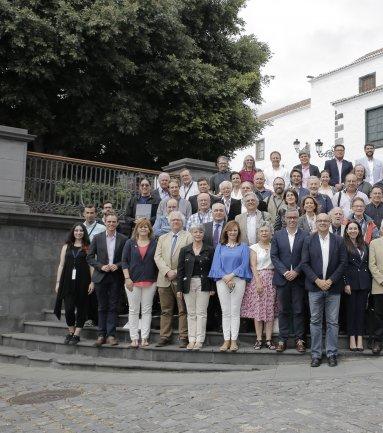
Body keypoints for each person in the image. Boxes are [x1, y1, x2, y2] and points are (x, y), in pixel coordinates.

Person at [301, 213, 347, 367]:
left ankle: (332, 353)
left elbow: (343, 263)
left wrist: (330, 280)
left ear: (330, 222)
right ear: (316, 223)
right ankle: (316, 354)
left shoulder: (339, 240)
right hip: (315, 287)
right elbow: (305, 264)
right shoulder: (308, 240)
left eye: (325, 220)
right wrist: (318, 281)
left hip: (333, 288)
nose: (322, 223)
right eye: (319, 220)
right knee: (315, 321)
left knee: (333, 322)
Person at [209, 221, 252, 352]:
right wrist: (226, 278)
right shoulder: (220, 247)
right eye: (230, 230)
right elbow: (216, 266)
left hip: (238, 280)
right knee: (225, 312)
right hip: (222, 281)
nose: (232, 232)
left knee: (235, 311)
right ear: (226, 232)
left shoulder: (243, 247)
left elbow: (244, 265)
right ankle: (226, 340)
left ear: (238, 232)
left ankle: (234, 341)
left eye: (235, 230)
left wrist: (231, 275)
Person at [87, 212, 127, 346]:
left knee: (113, 306)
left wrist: (118, 265)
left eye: (114, 222)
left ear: (117, 223)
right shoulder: (97, 238)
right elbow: (90, 257)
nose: (111, 224)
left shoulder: (123, 239)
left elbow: (126, 259)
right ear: (105, 222)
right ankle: (101, 335)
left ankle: (111, 335)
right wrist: (100, 266)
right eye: (109, 221)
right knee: (102, 306)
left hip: (116, 277)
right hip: (101, 276)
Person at [271, 209, 308, 353]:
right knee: (283, 310)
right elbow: (274, 256)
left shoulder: (305, 235)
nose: (292, 220)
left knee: (299, 310)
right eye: (289, 218)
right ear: (284, 219)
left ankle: (300, 340)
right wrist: (285, 272)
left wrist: (297, 271)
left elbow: (306, 257)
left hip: (299, 279)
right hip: (282, 279)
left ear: (298, 219)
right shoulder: (278, 235)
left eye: (294, 217)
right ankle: (282, 339)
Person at [154, 211, 193, 347]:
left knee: (183, 309)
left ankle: (183, 337)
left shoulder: (189, 237)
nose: (175, 222)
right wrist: (167, 271)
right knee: (165, 309)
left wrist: (176, 272)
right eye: (173, 220)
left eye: (178, 220)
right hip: (164, 279)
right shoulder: (162, 238)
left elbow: (189, 258)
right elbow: (157, 257)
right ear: (169, 222)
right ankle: (165, 336)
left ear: (182, 222)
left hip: (180, 278)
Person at [177, 224, 215, 350]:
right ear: (191, 234)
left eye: (200, 232)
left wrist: (212, 287)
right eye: (195, 232)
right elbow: (180, 270)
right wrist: (179, 289)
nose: (198, 234)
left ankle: (199, 340)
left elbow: (212, 270)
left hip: (203, 284)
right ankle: (191, 340)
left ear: (203, 234)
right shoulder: (185, 250)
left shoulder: (209, 249)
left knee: (201, 313)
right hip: (188, 284)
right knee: (191, 313)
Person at [54, 223, 92, 345]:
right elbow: (61, 265)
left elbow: (92, 266)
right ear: (73, 232)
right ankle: (71, 331)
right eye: (76, 230)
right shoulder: (66, 247)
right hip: (67, 281)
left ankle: (77, 334)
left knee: (81, 308)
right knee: (69, 308)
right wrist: (58, 282)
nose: (78, 232)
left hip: (83, 281)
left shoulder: (87, 247)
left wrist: (93, 282)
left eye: (81, 230)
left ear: (84, 232)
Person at [121, 219, 157, 348]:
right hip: (132, 281)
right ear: (137, 229)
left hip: (150, 281)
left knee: (147, 310)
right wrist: (127, 278)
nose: (143, 229)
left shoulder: (154, 243)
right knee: (133, 310)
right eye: (141, 227)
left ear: (149, 229)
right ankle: (134, 338)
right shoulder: (130, 243)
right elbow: (124, 261)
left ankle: (145, 337)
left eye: (146, 227)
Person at [241, 222, 277, 350]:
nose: (264, 233)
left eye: (266, 231)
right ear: (258, 233)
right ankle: (258, 339)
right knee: (258, 310)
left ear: (271, 233)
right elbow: (253, 266)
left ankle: (268, 339)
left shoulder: (274, 246)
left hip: (272, 280)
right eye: (261, 231)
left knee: (269, 310)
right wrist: (258, 282)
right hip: (258, 279)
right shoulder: (254, 247)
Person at [343, 220, 371, 352]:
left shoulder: (365, 244)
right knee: (351, 311)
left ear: (359, 230)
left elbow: (367, 265)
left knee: (360, 311)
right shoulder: (343, 245)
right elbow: (343, 266)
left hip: (363, 282)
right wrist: (346, 283)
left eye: (355, 228)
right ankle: (351, 338)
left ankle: (359, 337)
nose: (353, 231)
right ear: (347, 231)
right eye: (350, 229)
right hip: (351, 283)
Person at [82, 204, 106, 327]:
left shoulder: (102, 228)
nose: (90, 215)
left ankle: (94, 318)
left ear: (96, 214)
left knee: (95, 291)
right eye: (87, 212)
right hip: (82, 263)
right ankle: (85, 317)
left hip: (97, 263)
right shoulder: (80, 227)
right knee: (84, 290)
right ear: (84, 214)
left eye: (92, 213)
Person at [368, 225, 383, 355]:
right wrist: (381, 280)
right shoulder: (374, 243)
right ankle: (377, 341)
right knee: (378, 315)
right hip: (379, 286)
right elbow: (371, 265)